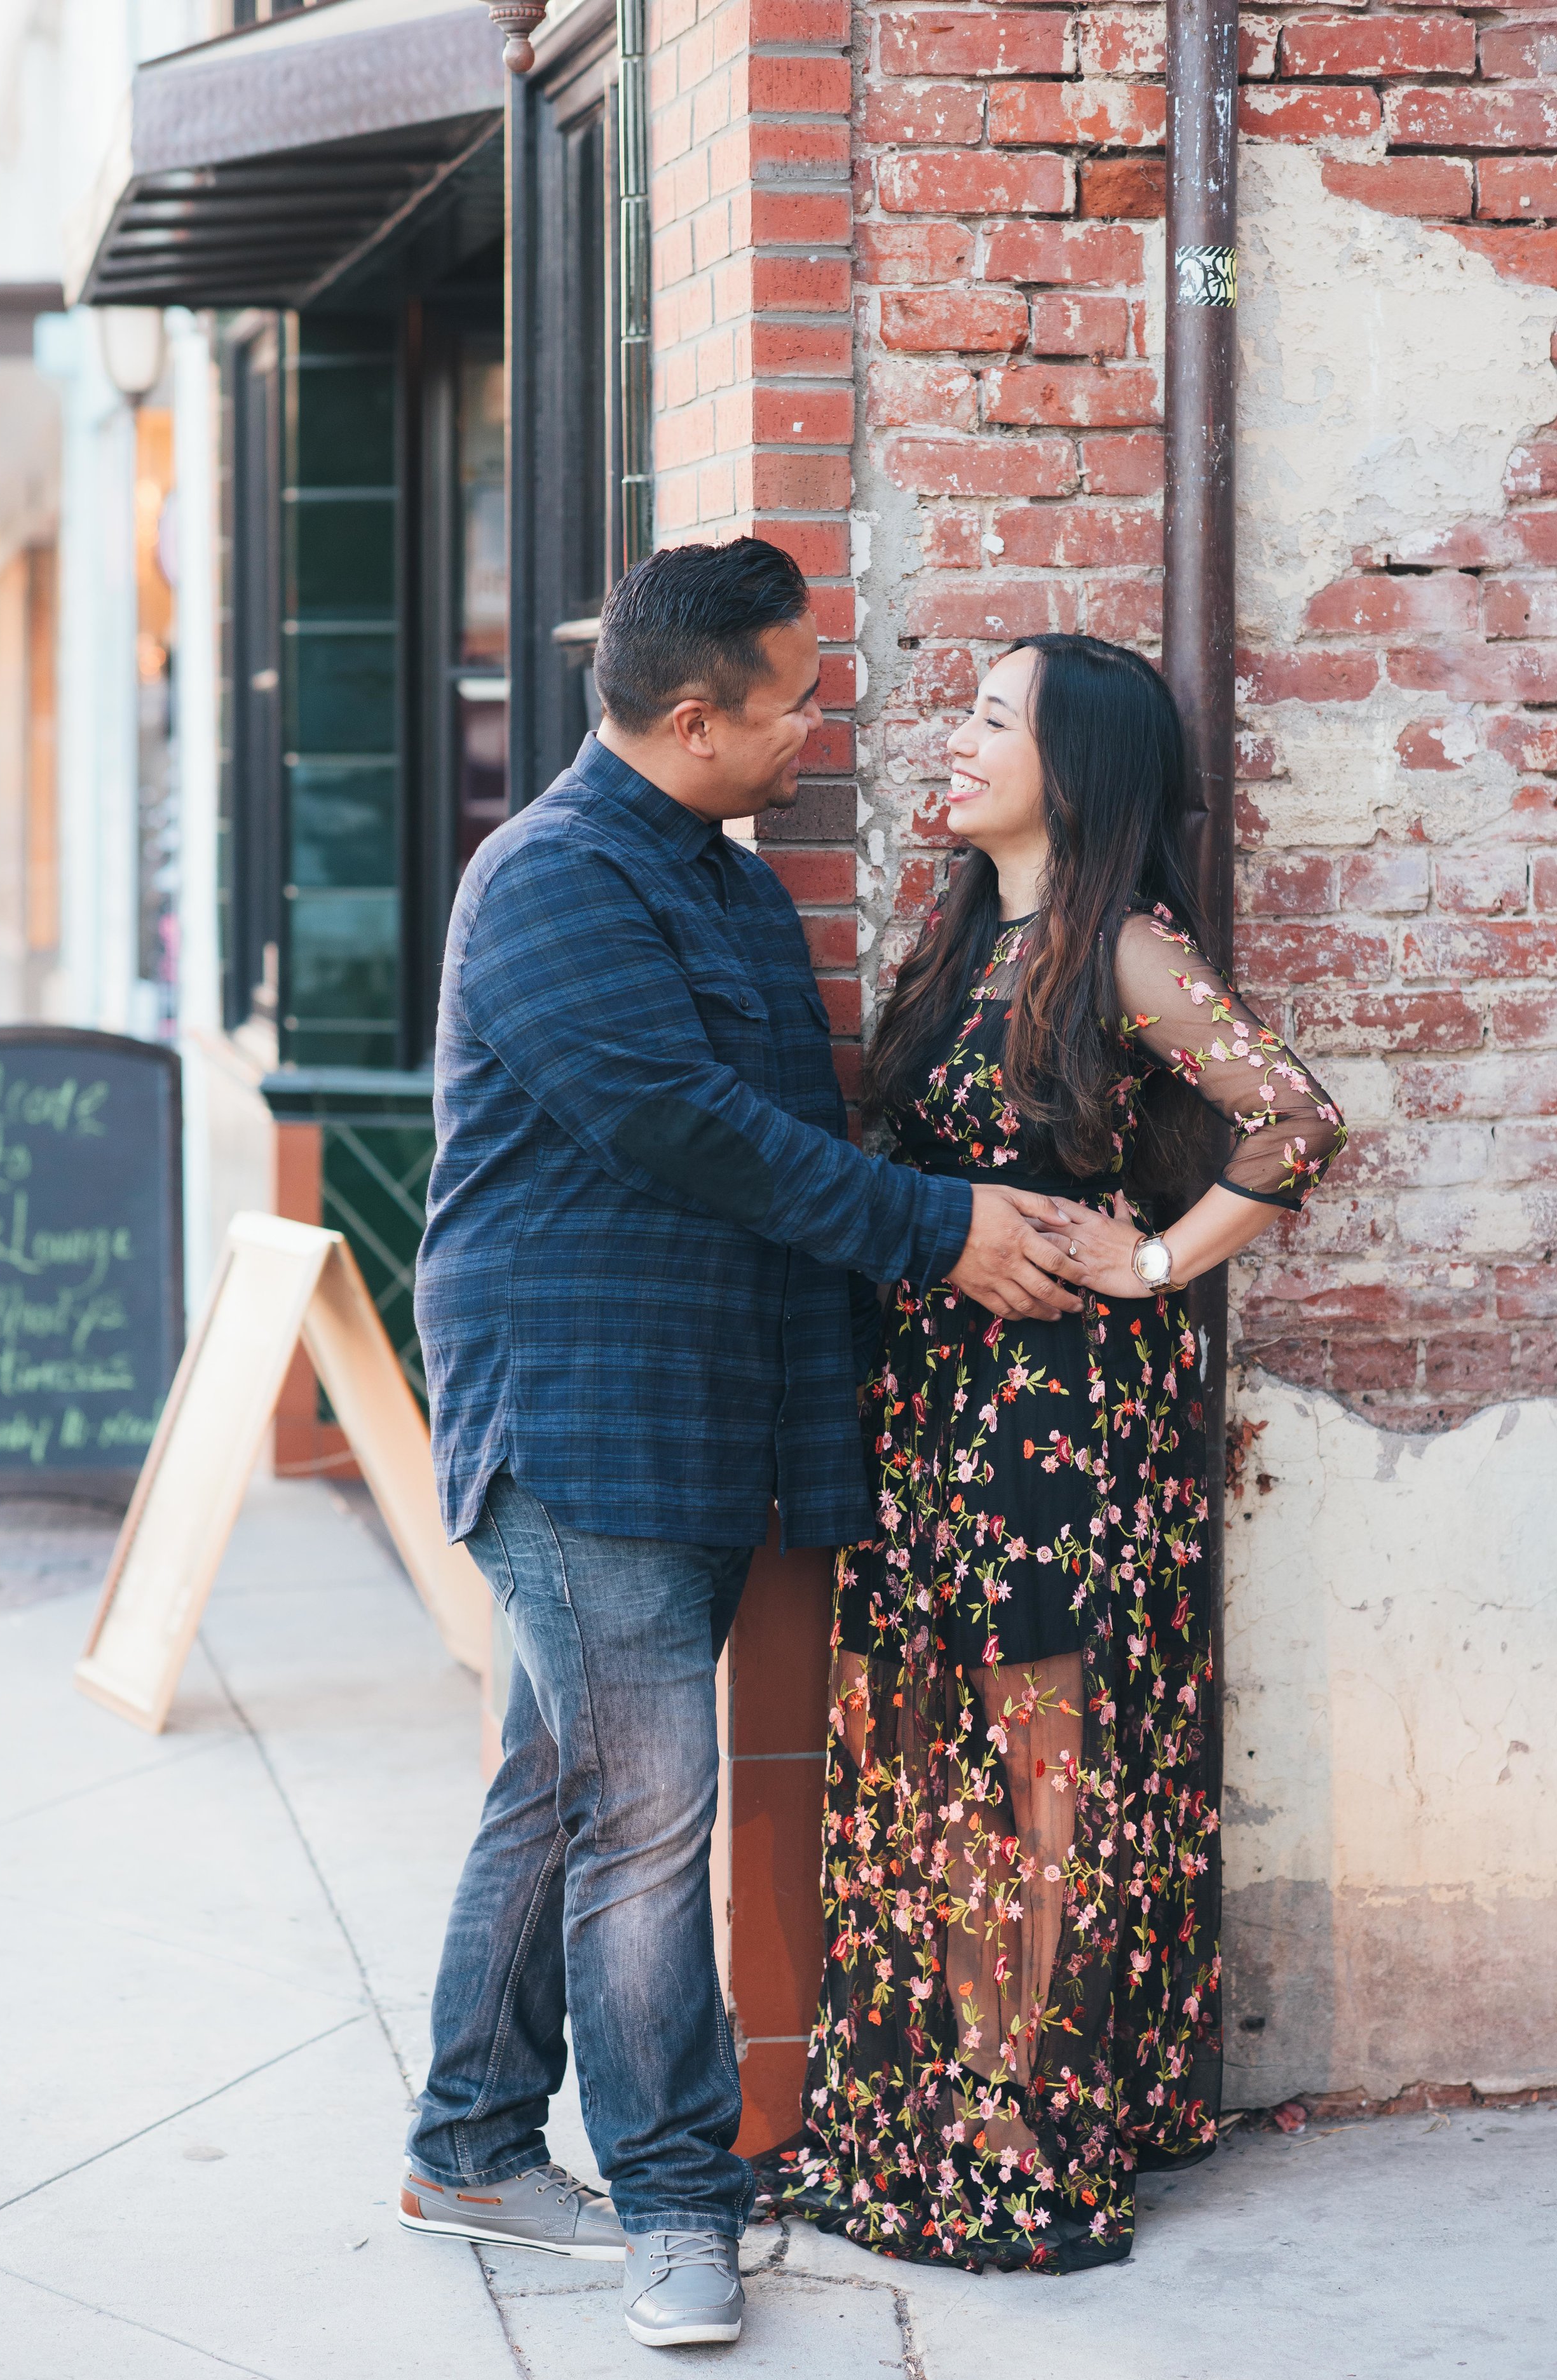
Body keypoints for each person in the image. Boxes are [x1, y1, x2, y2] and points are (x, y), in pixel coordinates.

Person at [400, 539, 1080, 2349]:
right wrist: (940, 1230)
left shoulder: (718, 878)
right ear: (690, 718)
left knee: (566, 1786)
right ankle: (679, 2208)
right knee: (644, 1816)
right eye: (787, 703)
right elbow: (688, 1130)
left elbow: (787, 1126)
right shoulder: (546, 878)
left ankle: (467, 2137)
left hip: (690, 1405)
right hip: (578, 1409)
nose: (813, 728)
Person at [774, 633, 1346, 2273]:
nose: (951, 742)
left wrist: (1159, 1260)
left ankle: (1022, 2141)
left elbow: (1293, 1119)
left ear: (1073, 769)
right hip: (933, 1416)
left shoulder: (1125, 950)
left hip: (1054, 1424)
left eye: (989, 719)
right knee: (928, 1753)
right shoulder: (964, 941)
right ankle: (924, 2118)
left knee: (1037, 1761)